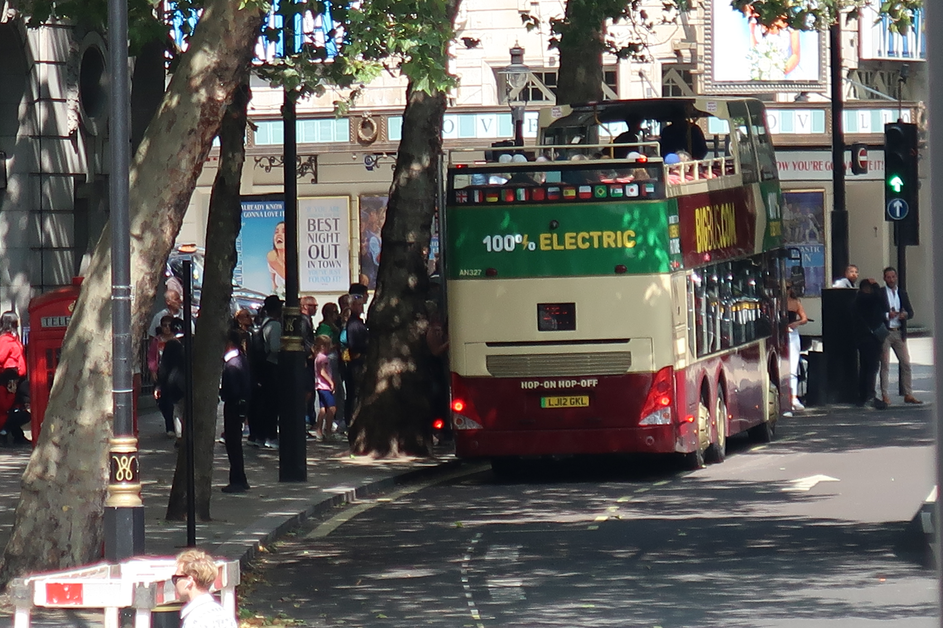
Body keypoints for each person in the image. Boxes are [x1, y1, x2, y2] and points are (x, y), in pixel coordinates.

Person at [879, 266, 921, 405]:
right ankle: (885, 395)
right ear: (884, 278)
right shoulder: (880, 293)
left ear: (896, 277)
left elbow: (911, 311)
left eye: (893, 277)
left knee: (906, 363)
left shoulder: (902, 293)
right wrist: (887, 315)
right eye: (888, 277)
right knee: (885, 364)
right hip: (886, 332)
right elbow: (875, 312)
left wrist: (905, 315)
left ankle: (908, 393)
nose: (891, 280)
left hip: (898, 332)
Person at [173, 549, 237, 628]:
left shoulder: (194, 620)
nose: (175, 584)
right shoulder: (226, 615)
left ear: (189, 581)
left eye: (176, 578)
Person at [220, 330, 251, 493]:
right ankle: (241, 478)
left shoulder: (232, 365)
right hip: (240, 406)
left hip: (233, 406)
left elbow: (232, 391)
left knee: (233, 444)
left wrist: (223, 393)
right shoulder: (241, 359)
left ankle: (237, 480)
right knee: (235, 443)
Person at [854, 279, 887, 409]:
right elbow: (880, 298)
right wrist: (876, 285)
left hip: (862, 338)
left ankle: (863, 395)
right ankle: (870, 395)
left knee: (865, 367)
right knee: (872, 367)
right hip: (870, 338)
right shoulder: (866, 300)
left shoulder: (857, 300)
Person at [155, 317, 186, 438]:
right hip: (189, 383)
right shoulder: (192, 342)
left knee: (177, 410)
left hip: (173, 383)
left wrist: (159, 385)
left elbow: (164, 366)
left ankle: (179, 435)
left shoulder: (171, 344)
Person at [0, 312, 29, 445]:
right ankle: (5, 432)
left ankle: (17, 435)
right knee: (11, 407)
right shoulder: (5, 340)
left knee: (17, 407)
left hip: (17, 377)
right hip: (10, 377)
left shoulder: (13, 338)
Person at [258, 295, 282, 449]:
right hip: (272, 366)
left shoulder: (264, 323)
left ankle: (263, 434)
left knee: (266, 402)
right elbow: (275, 347)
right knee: (273, 403)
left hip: (265, 366)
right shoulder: (275, 325)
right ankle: (271, 435)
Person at [344, 283, 369, 427]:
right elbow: (354, 344)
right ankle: (351, 421)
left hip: (358, 361)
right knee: (355, 393)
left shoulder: (358, 322)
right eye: (359, 305)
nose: (362, 307)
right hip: (357, 363)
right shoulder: (354, 324)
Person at [786, 282, 808, 412]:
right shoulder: (775, 302)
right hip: (779, 334)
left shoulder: (795, 302)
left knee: (792, 367)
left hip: (791, 333)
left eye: (787, 288)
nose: (785, 291)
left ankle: (793, 397)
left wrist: (796, 323)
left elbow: (804, 318)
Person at [311, 335, 336, 442]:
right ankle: (328, 430)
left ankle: (319, 430)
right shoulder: (324, 358)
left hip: (319, 386)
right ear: (322, 346)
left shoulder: (317, 357)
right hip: (325, 386)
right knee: (332, 408)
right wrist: (331, 382)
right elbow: (322, 372)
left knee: (323, 409)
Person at [267, 221, 287, 298]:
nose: (279, 235)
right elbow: (274, 284)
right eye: (276, 232)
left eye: (284, 232)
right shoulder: (272, 257)